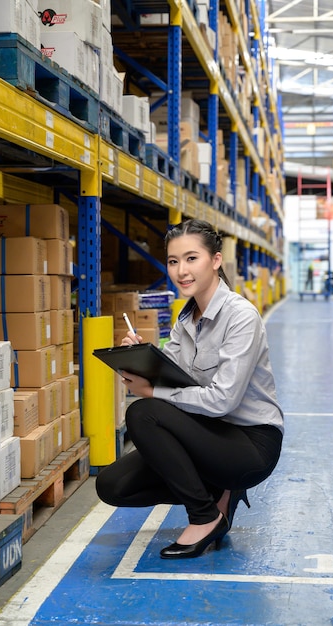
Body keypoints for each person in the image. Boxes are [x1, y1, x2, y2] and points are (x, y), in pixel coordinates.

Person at [96, 219, 284, 559]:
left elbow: (222, 400)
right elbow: (173, 376)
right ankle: (215, 488)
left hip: (250, 442)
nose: (181, 270)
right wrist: (142, 356)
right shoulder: (185, 320)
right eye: (172, 261)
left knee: (143, 412)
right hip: (208, 435)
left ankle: (206, 515)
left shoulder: (241, 317)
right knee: (113, 486)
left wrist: (153, 392)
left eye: (191, 258)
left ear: (215, 260)